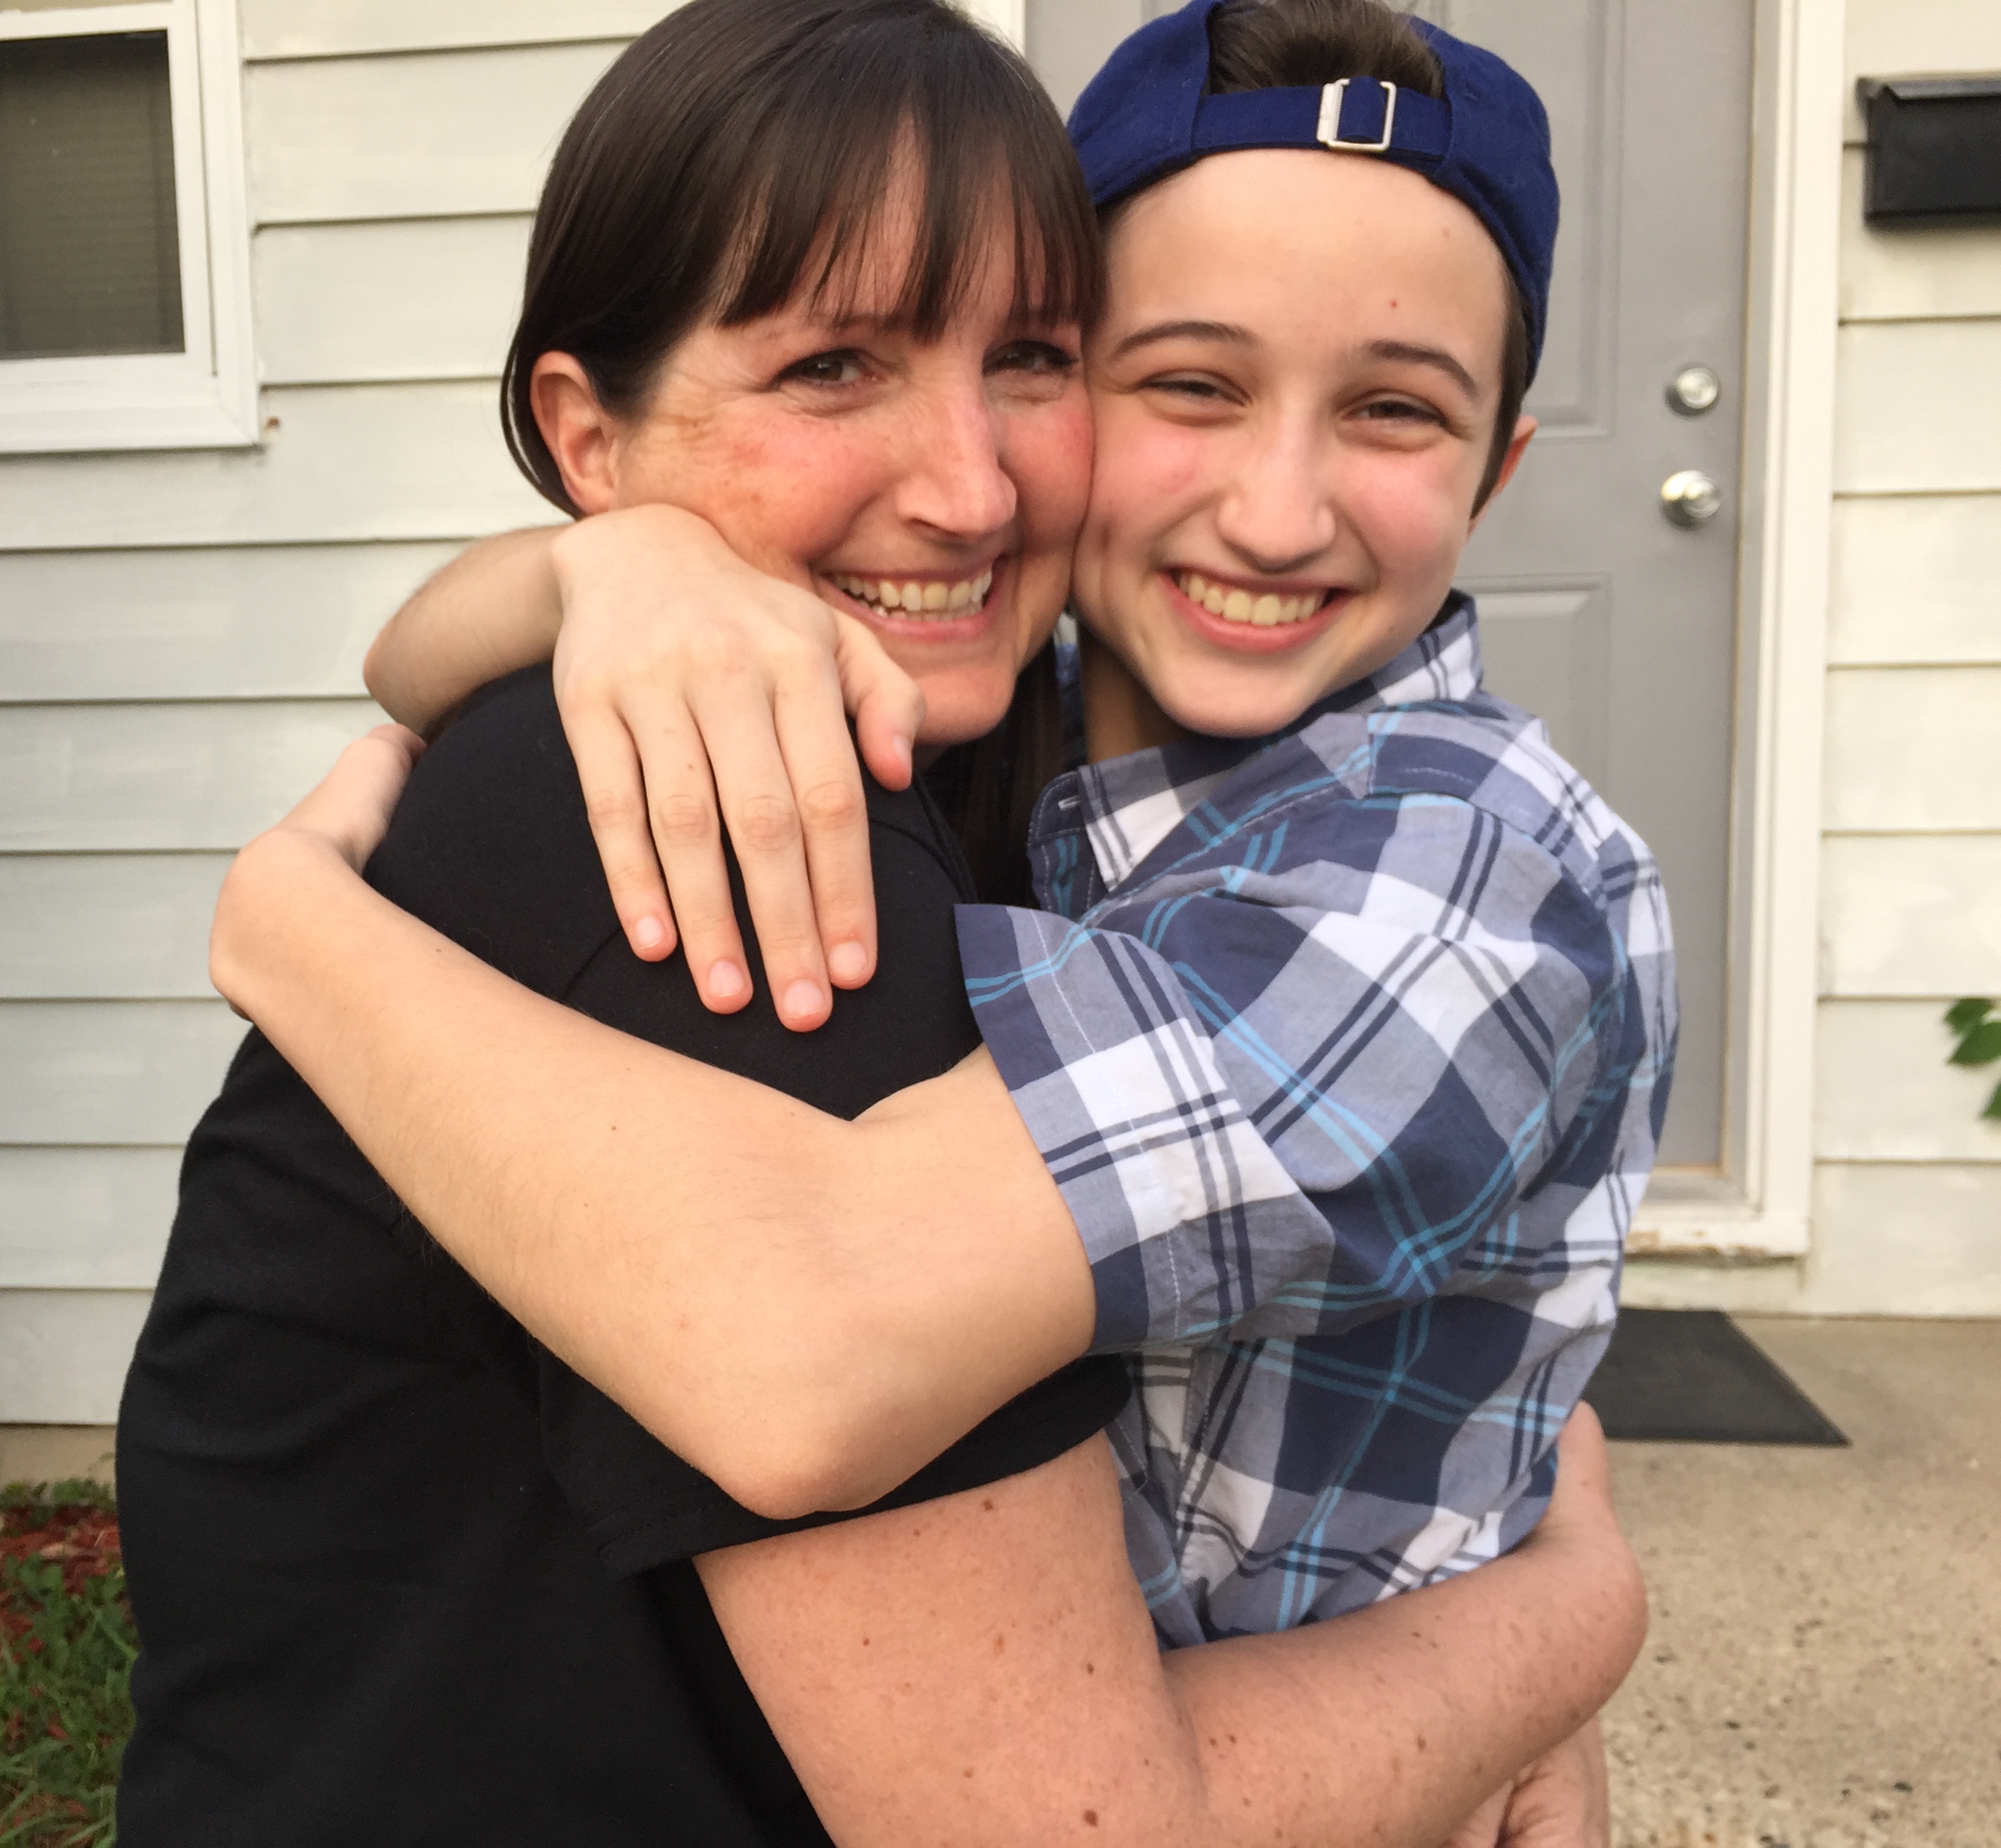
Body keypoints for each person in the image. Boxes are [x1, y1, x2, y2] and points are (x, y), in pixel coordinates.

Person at [128, 2, 1644, 1843]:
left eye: (1025, 360)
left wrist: (307, 913)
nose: (973, 486)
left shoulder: (1256, 820)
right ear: (582, 435)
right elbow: (809, 1368)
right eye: (836, 366)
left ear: (1499, 461)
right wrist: (1572, 1620)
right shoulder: (720, 812)